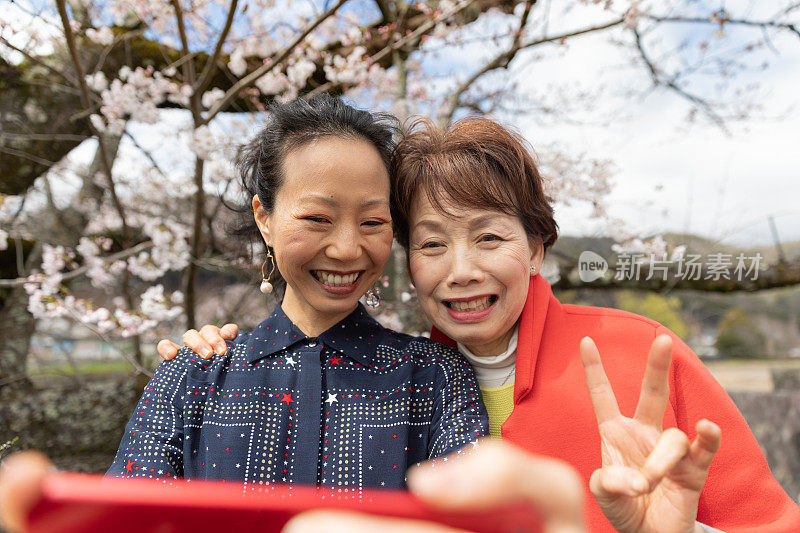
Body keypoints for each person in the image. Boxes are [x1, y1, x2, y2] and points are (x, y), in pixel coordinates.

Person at [169, 116, 800, 532]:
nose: (462, 271)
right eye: (433, 244)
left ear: (536, 248)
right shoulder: (410, 384)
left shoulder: (636, 353)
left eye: (491, 237)